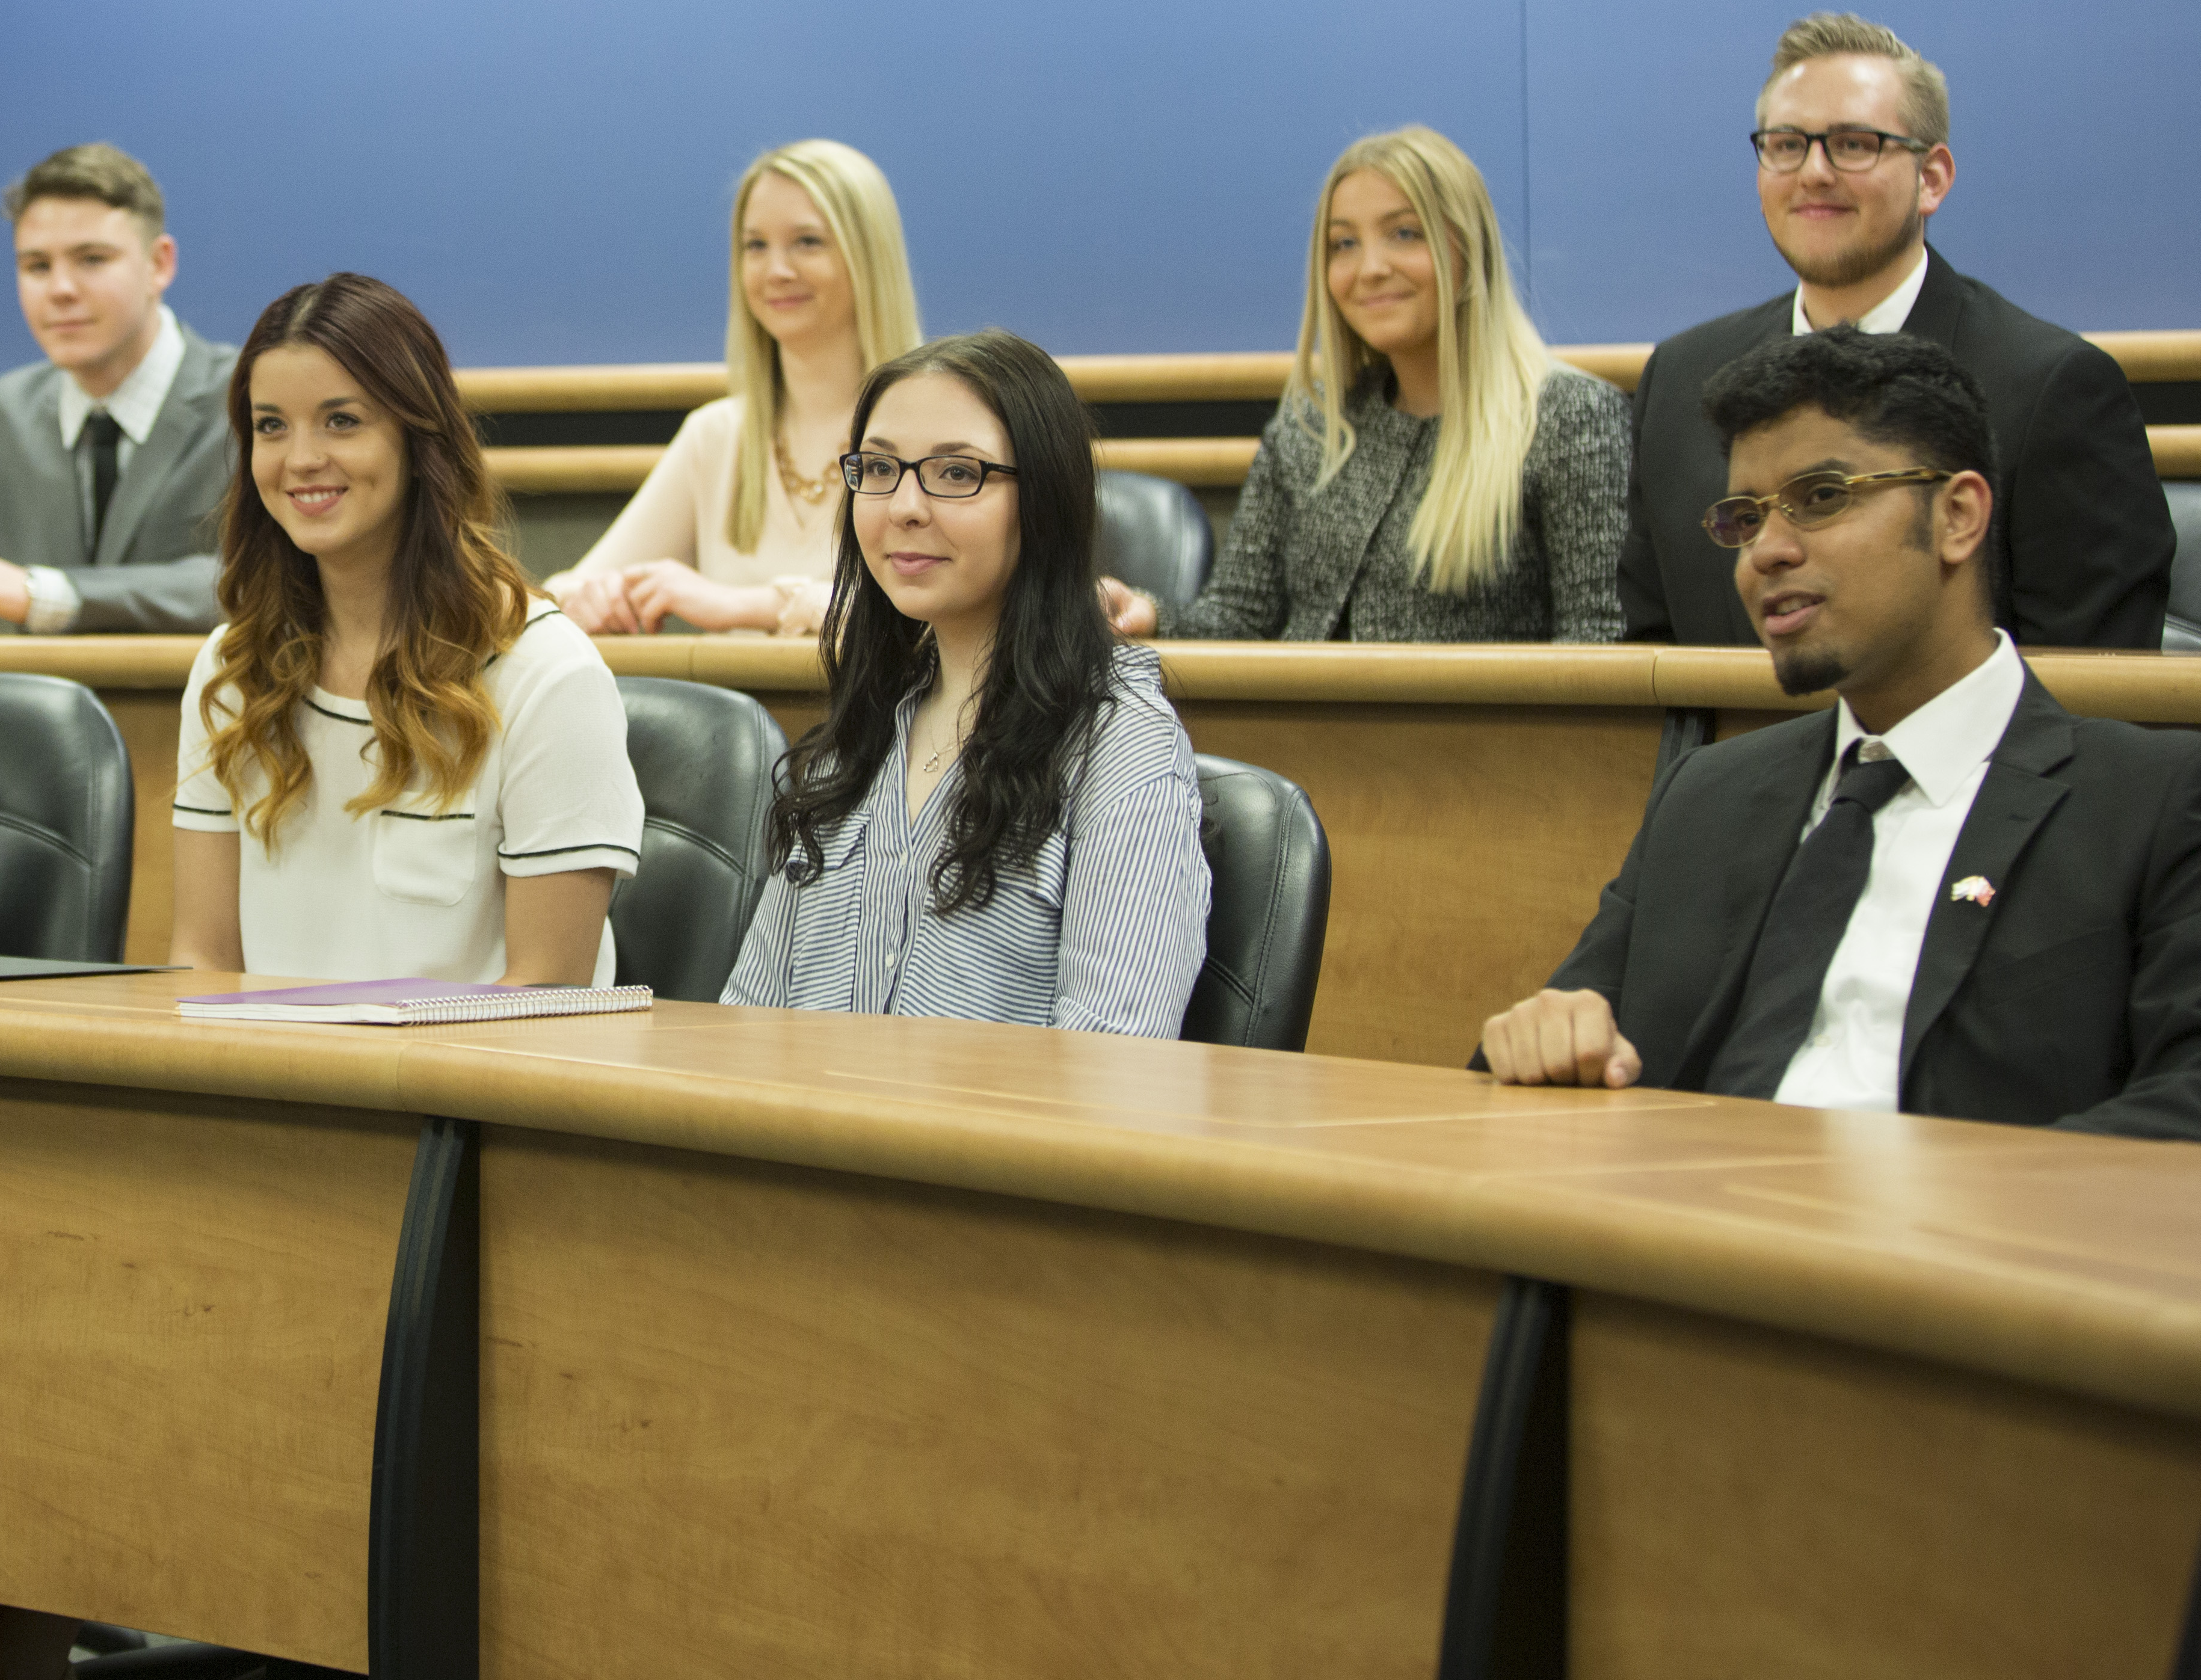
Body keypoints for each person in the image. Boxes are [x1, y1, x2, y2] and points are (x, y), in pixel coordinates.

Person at [170, 272, 645, 1680]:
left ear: (417, 432)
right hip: (291, 1154)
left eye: (341, 419)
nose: (300, 455)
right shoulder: (229, 664)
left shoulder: (542, 667)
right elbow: (197, 961)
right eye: (268, 425)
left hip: (489, 1175)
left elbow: (549, 1002)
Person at [1481, 331, 2201, 1145]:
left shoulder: (2161, 801)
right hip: (1691, 1237)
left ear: (1958, 517)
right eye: (1744, 519)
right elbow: (1553, 1042)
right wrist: (1547, 1035)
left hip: (1966, 1253)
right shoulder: (1705, 796)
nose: (1767, 553)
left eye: (1821, 497)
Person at [1616, 11, 2171, 649]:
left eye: (1855, 144)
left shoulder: (2052, 389)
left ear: (1931, 179)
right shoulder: (1681, 381)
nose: (1815, 173)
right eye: (1787, 144)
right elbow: (1649, 666)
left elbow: (2100, 696)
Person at [727, 327, 1210, 1035]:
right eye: (880, 469)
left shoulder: (1120, 745)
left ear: (1044, 501)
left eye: (958, 474)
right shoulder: (856, 739)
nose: (905, 507)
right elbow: (746, 1029)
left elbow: (1115, 1067)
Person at [1108, 126, 1628, 642]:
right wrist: (1148, 614)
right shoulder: (1310, 428)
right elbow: (1239, 621)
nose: (1370, 269)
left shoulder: (1570, 418)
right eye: (1344, 244)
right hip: (1292, 724)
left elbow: (1596, 642)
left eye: (1404, 233)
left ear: (1470, 250)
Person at [547, 138, 925, 636]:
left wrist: (743, 606)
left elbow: (935, 612)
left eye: (807, 242)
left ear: (869, 257)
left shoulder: (933, 428)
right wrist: (587, 599)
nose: (776, 271)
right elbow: (560, 595)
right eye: (756, 246)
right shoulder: (717, 435)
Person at [0, 142, 238, 633]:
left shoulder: (246, 399)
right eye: (37, 267)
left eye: (91, 260)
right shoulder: (7, 410)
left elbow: (260, 580)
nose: (60, 289)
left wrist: (43, 595)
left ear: (159, 264)